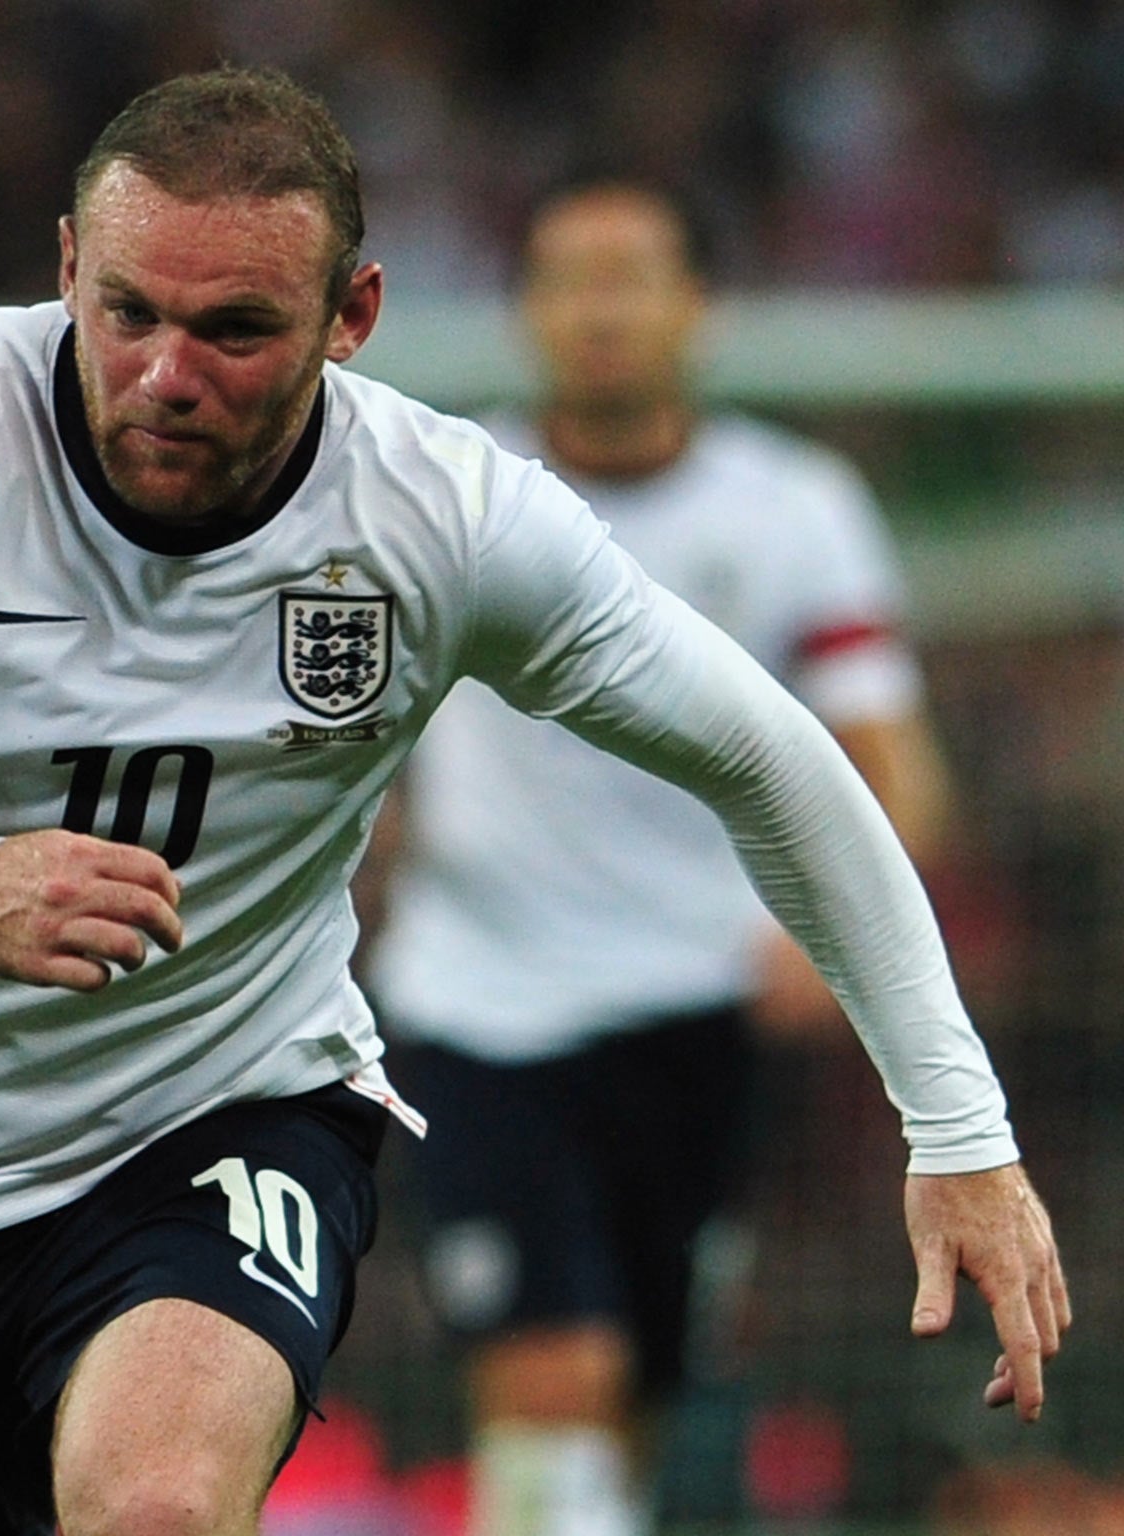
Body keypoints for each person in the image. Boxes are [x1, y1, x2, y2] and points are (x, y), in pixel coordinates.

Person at [0, 66, 1067, 1536]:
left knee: (157, 1506)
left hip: (217, 1105)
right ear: (65, 266)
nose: (165, 374)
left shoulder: (438, 516)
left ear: (351, 315)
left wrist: (958, 1127)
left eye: (235, 330)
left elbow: (772, 760)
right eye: (127, 312)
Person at [355, 172, 959, 1536]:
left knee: (637, 1392)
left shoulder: (793, 508)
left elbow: (890, 762)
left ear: (699, 306)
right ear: (525, 312)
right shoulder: (451, 495)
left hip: (698, 1005)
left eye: (630, 277)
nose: (600, 312)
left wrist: (829, 936)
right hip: (482, 1002)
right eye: (568, 279)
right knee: (550, 1371)